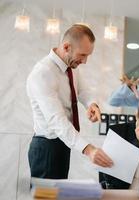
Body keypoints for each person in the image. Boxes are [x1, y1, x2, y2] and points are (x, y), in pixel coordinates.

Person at [26, 24, 113, 179]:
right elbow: (56, 120)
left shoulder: (71, 68)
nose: (85, 61)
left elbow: (83, 90)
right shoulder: (43, 73)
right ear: (66, 47)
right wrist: (88, 149)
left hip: (62, 143)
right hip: (46, 148)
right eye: (83, 55)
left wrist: (92, 104)